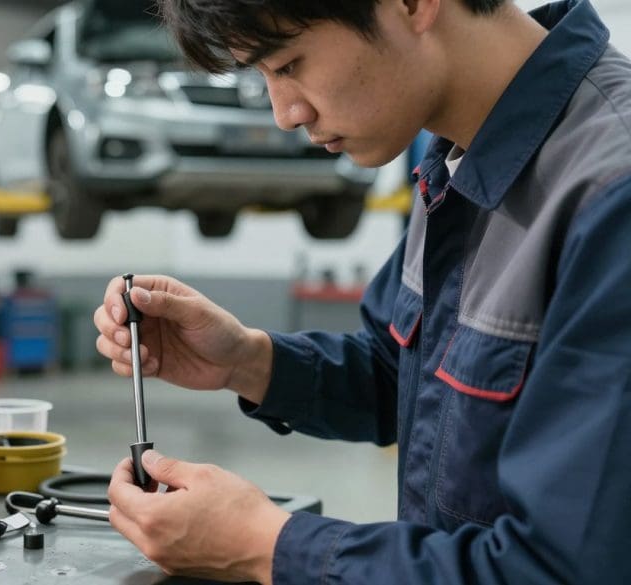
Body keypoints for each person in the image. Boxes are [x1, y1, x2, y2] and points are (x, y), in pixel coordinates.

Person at [93, 0, 631, 583]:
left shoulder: (610, 195)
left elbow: (564, 569)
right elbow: (405, 376)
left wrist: (265, 544)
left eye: (289, 64)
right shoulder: (459, 157)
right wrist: (249, 360)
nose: (284, 114)